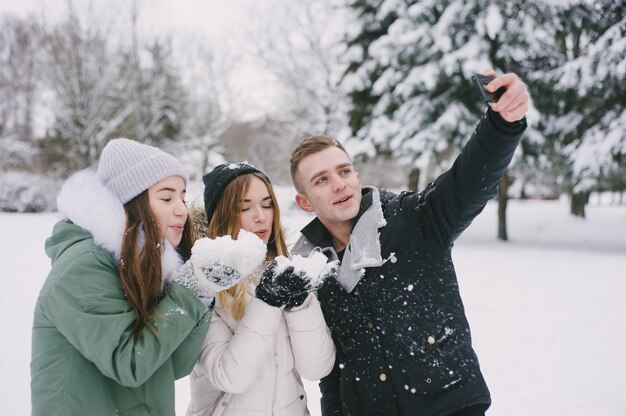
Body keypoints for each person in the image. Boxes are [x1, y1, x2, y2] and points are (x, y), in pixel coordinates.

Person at [289, 71, 529, 416]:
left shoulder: (414, 219)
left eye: (344, 171)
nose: (339, 184)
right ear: (305, 202)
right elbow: (333, 373)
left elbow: (468, 181)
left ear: (357, 176)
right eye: (322, 180)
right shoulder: (310, 267)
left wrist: (502, 124)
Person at [31, 139, 258, 416]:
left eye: (182, 197)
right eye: (166, 197)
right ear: (131, 202)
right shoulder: (82, 270)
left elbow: (174, 364)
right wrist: (188, 291)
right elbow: (131, 363)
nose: (181, 210)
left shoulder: (143, 269)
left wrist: (203, 292)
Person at [186, 162, 337, 416]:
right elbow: (230, 376)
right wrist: (267, 303)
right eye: (244, 207)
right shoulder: (201, 282)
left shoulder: (284, 272)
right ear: (221, 215)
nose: (261, 216)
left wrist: (300, 305)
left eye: (267, 204)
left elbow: (317, 368)